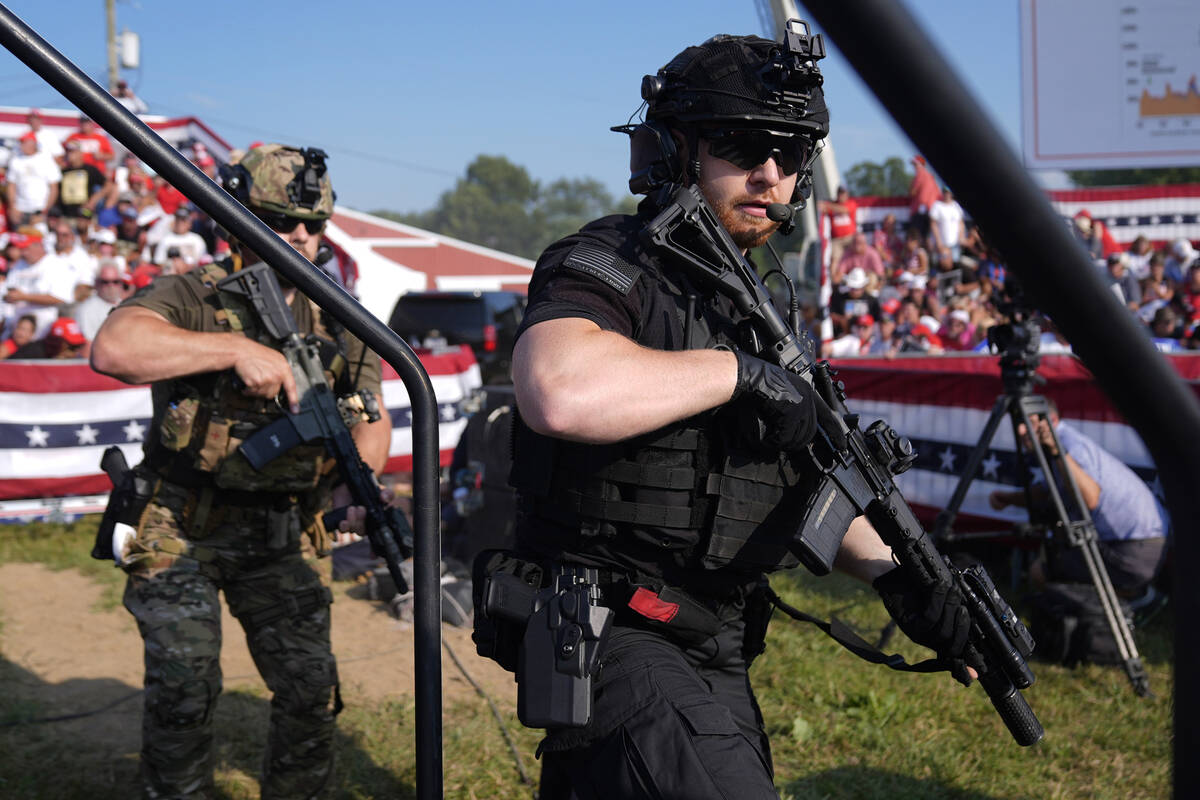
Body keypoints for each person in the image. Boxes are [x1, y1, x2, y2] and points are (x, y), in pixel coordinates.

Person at [483, 26, 977, 799]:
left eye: (791, 153)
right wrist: (735, 374)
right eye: (743, 145)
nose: (769, 174)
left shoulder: (763, 308)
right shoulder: (613, 259)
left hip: (716, 639)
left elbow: (800, 489)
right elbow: (558, 388)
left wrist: (899, 576)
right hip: (616, 628)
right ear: (677, 148)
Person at [90, 144, 392, 799]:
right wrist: (233, 348)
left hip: (282, 529)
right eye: (285, 222)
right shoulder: (194, 294)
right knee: (186, 681)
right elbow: (114, 347)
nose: (304, 238)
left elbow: (371, 416)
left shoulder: (342, 318)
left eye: (316, 224)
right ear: (236, 221)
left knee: (312, 688)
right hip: (181, 524)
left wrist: (356, 482)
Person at [989, 400, 1168, 598]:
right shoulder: (1067, 441)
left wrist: (1058, 451)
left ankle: (1126, 595)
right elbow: (1047, 491)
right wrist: (1009, 499)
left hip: (1132, 550)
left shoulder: (1069, 446)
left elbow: (1089, 498)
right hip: (1142, 545)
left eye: (1028, 423)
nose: (1021, 430)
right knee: (1055, 546)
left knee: (1039, 571)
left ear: (1051, 420)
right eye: (1018, 423)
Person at [5, 132, 61, 226]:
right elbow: (11, 186)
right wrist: (12, 207)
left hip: (40, 209)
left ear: (33, 144)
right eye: (21, 143)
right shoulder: (16, 161)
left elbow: (54, 187)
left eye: (24, 142)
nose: (21, 146)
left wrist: (46, 211)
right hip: (21, 209)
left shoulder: (46, 160)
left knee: (39, 237)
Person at [74, 260, 130, 340]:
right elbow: (88, 343)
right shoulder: (87, 310)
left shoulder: (125, 304)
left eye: (115, 281)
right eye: (105, 282)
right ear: (96, 283)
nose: (111, 286)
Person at [819, 185, 858, 271]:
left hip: (850, 238)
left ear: (847, 194)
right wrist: (823, 205)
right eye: (840, 193)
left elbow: (844, 210)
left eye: (843, 193)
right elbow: (822, 208)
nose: (841, 195)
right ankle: (834, 282)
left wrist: (828, 205)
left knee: (854, 257)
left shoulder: (851, 203)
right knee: (834, 260)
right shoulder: (832, 205)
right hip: (837, 240)